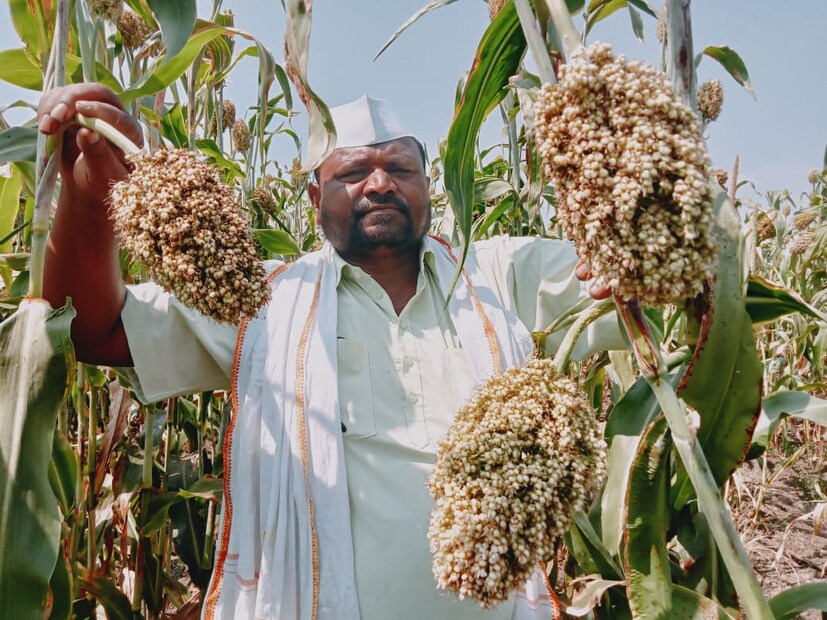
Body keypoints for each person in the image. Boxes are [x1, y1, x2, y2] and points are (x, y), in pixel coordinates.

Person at [39, 86, 623, 620]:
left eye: (400, 167)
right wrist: (89, 200)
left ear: (430, 186)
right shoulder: (263, 301)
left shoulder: (499, 274)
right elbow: (93, 330)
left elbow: (639, 280)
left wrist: (620, 256)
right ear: (315, 196)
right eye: (353, 172)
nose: (379, 183)